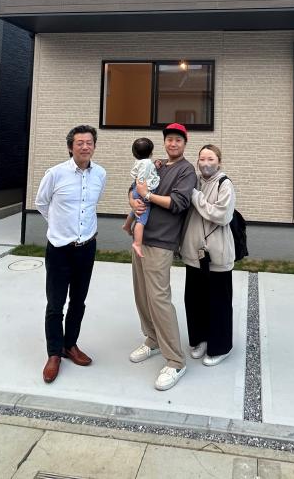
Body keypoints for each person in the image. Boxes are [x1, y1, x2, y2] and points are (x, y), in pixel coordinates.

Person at [34, 125, 107, 384]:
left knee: (78, 301)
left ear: (94, 146)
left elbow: (92, 205)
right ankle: (54, 353)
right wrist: (58, 226)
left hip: (86, 247)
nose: (85, 146)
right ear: (70, 147)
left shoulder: (100, 174)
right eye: (80, 143)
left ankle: (70, 345)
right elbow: (41, 203)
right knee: (55, 304)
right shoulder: (55, 174)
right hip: (59, 249)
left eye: (89, 142)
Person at [127, 123, 196, 391]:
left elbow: (178, 203)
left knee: (159, 299)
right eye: (169, 139)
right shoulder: (156, 165)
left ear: (184, 143)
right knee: (142, 294)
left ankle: (176, 360)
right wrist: (134, 201)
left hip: (162, 241)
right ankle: (153, 339)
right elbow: (134, 187)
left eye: (178, 140)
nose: (173, 143)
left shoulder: (186, 171)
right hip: (141, 238)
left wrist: (148, 195)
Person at [180, 144, 236, 366]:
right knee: (195, 300)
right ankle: (200, 339)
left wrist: (195, 196)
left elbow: (222, 215)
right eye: (202, 159)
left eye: (210, 159)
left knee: (219, 303)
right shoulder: (193, 181)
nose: (205, 163)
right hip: (193, 253)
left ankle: (220, 347)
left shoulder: (225, 184)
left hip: (218, 255)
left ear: (219, 162)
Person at [122, 137, 159, 258]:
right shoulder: (147, 163)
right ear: (151, 152)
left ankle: (127, 225)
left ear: (134, 154)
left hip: (136, 188)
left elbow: (137, 173)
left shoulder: (138, 162)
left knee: (136, 210)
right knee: (142, 220)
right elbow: (144, 174)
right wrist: (143, 189)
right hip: (143, 190)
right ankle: (137, 243)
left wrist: (154, 166)